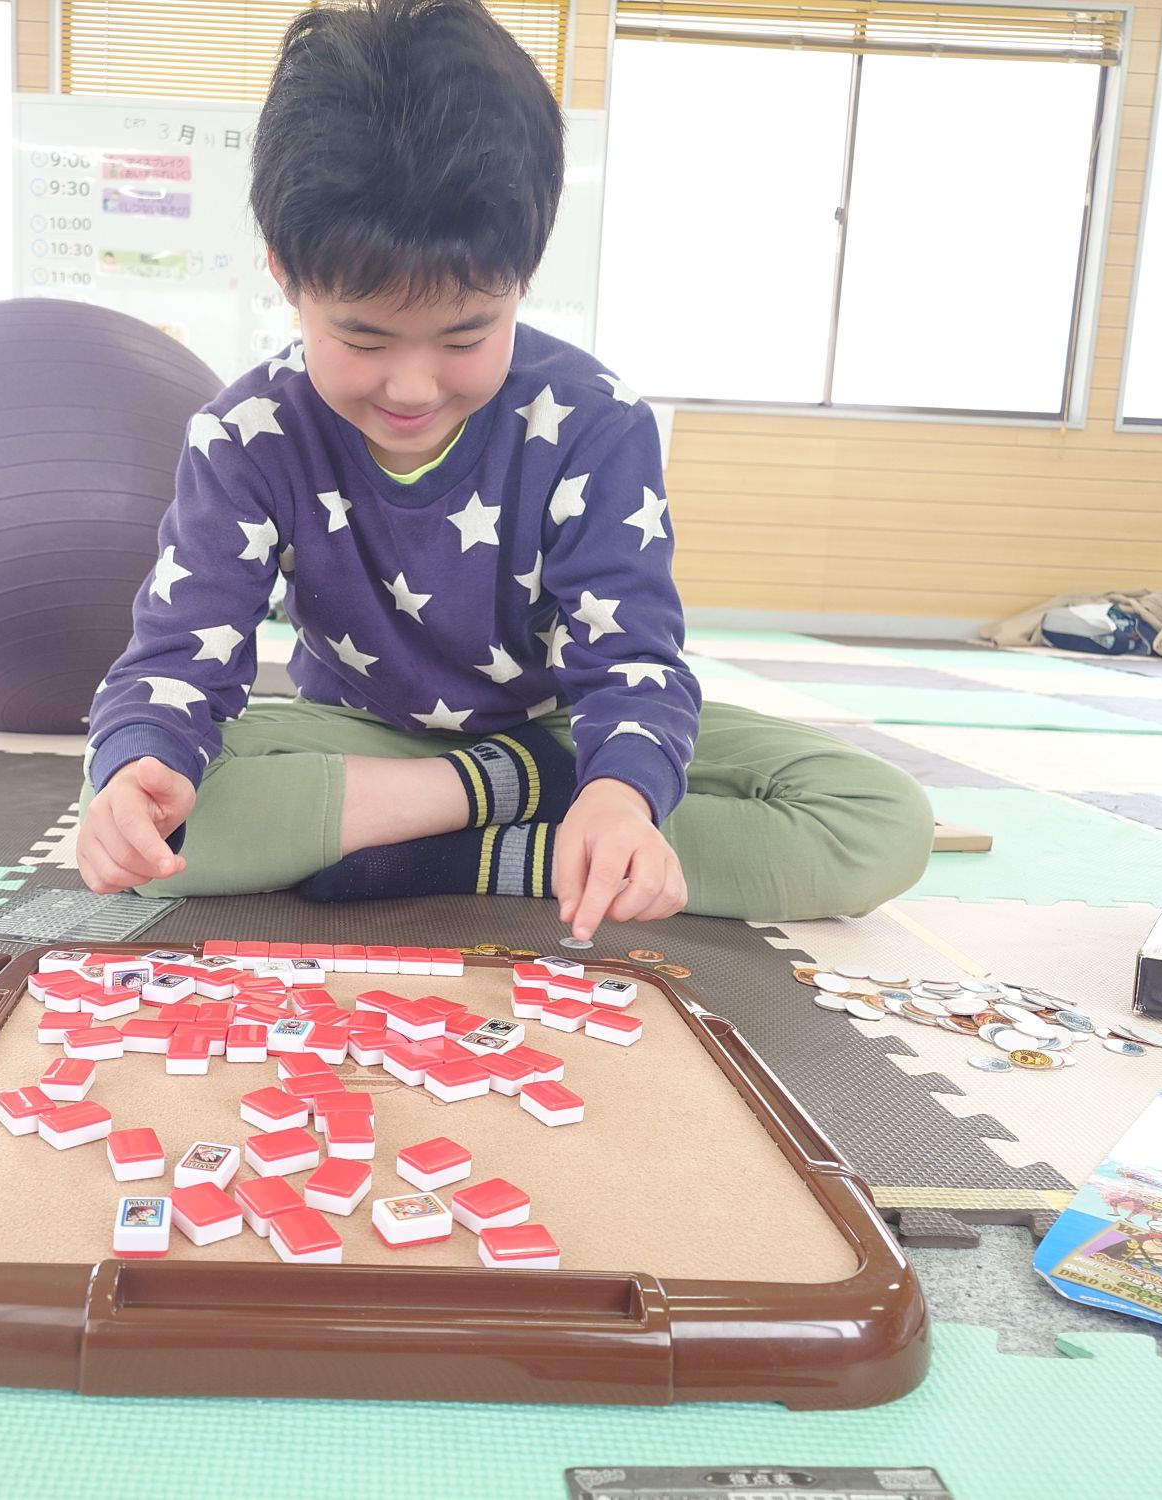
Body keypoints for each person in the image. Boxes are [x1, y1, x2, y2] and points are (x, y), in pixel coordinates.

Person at [76, 0, 931, 935]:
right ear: (287, 275)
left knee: (879, 820)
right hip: (363, 742)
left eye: (464, 337)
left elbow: (631, 659)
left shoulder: (595, 422)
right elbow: (176, 662)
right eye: (362, 338)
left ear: (521, 277)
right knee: (142, 825)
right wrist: (139, 767)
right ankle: (518, 804)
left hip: (569, 732)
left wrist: (620, 796)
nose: (412, 386)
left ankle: (437, 849)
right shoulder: (247, 435)